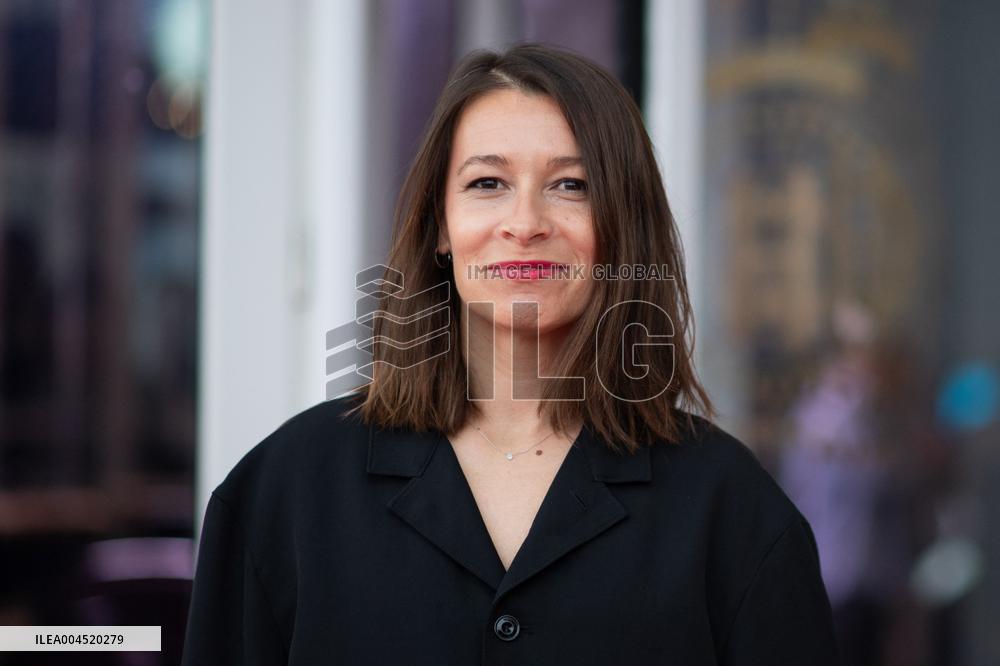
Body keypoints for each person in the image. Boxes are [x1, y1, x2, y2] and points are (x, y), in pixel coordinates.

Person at [181, 43, 841, 665]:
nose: (525, 223)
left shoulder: (733, 511)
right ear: (441, 226)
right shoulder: (285, 491)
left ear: (622, 231)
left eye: (571, 186)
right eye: (487, 183)